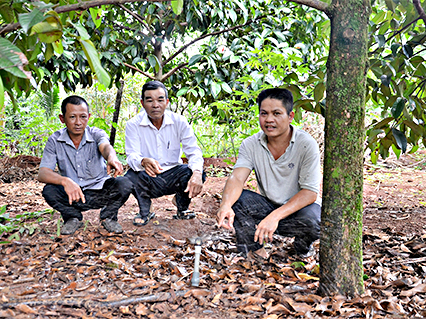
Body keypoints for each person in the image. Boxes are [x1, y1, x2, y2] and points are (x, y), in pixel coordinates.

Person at [216, 88, 321, 259]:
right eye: (264, 113)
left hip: (298, 211)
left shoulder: (306, 144)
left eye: (277, 113)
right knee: (238, 201)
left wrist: (275, 217)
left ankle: (303, 246)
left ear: (290, 116)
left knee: (315, 221)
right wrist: (225, 205)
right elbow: (237, 178)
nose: (269, 120)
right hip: (268, 205)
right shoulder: (251, 144)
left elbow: (309, 193)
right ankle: (254, 251)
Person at [38, 95, 133, 235]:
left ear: (88, 117)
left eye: (83, 117)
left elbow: (105, 146)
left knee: (124, 183)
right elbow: (43, 173)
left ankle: (109, 217)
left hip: (100, 191)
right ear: (62, 119)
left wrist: (112, 157)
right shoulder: (55, 140)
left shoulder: (96, 134)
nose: (78, 122)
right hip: (73, 194)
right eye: (72, 117)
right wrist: (65, 181)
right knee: (49, 191)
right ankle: (72, 217)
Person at [125, 81, 205, 226]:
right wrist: (143, 161)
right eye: (149, 100)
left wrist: (198, 173)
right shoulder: (133, 124)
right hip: (148, 175)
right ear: (142, 103)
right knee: (129, 178)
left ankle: (182, 206)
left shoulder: (179, 121)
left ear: (167, 102)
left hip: (173, 174)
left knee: (195, 171)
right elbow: (131, 156)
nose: (155, 105)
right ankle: (145, 210)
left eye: (160, 100)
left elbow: (193, 151)